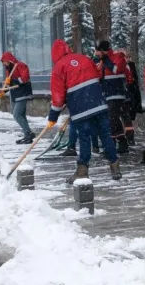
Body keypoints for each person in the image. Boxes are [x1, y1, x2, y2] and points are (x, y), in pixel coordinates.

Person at [48, 39, 121, 183]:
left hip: (81, 108)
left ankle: (82, 171)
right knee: (105, 135)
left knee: (84, 137)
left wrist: (53, 116)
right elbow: (97, 75)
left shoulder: (59, 67)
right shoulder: (84, 58)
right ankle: (115, 165)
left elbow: (57, 96)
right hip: (99, 102)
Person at [93, 40, 130, 154]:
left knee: (112, 118)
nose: (96, 53)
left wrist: (105, 60)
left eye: (98, 51)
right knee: (110, 120)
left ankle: (119, 143)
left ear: (103, 50)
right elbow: (97, 75)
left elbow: (116, 70)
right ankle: (116, 142)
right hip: (106, 94)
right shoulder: (102, 61)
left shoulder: (117, 57)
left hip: (116, 93)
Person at [0, 52, 36, 144]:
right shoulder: (9, 69)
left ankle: (29, 132)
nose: (4, 63)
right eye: (3, 62)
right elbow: (10, 84)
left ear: (9, 60)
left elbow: (24, 78)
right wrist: (2, 91)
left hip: (23, 93)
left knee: (16, 114)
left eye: (4, 61)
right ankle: (27, 135)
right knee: (21, 115)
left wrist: (12, 80)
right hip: (15, 95)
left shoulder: (20, 65)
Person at [119, 48, 143, 146]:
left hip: (130, 94)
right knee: (123, 117)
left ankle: (129, 138)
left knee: (128, 117)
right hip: (123, 94)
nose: (128, 59)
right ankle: (123, 138)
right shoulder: (119, 66)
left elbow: (134, 80)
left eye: (129, 57)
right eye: (126, 57)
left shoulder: (131, 66)